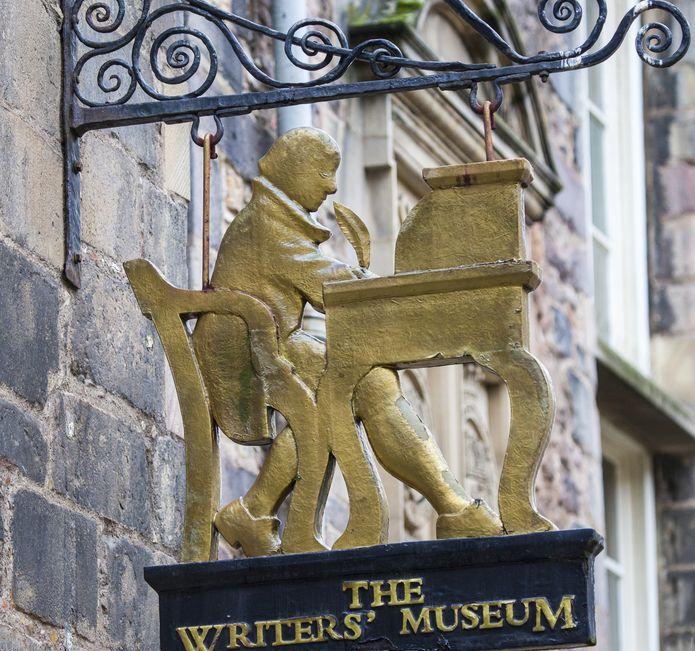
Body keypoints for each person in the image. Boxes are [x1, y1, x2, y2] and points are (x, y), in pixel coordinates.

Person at [194, 128, 502, 555]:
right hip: (244, 358)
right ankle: (453, 508)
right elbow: (328, 285)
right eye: (323, 171)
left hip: (270, 344)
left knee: (366, 384)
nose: (332, 185)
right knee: (362, 386)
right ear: (295, 169)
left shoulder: (276, 222)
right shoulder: (267, 226)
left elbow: (324, 275)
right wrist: (375, 285)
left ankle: (254, 509)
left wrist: (362, 280)